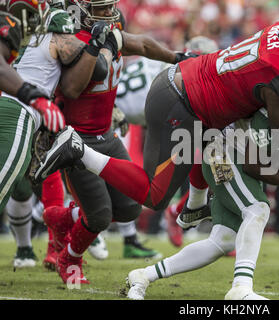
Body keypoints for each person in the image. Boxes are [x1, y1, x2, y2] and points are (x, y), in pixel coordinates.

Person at [34, 11, 279, 227]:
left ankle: (195, 205)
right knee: (155, 196)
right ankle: (79, 150)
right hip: (182, 105)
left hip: (193, 95)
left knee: (225, 148)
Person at [125, 78, 279, 300]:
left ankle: (144, 275)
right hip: (221, 153)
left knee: (222, 240)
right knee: (258, 209)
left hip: (236, 155)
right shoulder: (274, 113)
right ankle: (241, 288)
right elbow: (255, 166)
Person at [41, 0, 198, 285]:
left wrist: (176, 57)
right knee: (99, 216)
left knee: (131, 207)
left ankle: (64, 218)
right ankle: (69, 258)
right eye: (100, 8)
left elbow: (142, 44)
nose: (108, 12)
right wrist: (96, 46)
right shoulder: (69, 41)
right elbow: (73, 88)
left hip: (107, 135)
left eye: (108, 6)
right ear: (79, 10)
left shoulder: (108, 30)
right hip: (76, 139)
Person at [0, 0, 109, 267]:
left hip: (17, 102)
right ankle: (51, 245)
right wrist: (97, 45)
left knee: (20, 186)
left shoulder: (15, 26)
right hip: (18, 109)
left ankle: (35, 247)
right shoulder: (56, 23)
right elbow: (98, 69)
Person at [114, 35, 219, 249]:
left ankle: (138, 233)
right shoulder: (191, 72)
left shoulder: (159, 60)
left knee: (208, 160)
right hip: (139, 114)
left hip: (122, 108)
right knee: (150, 186)